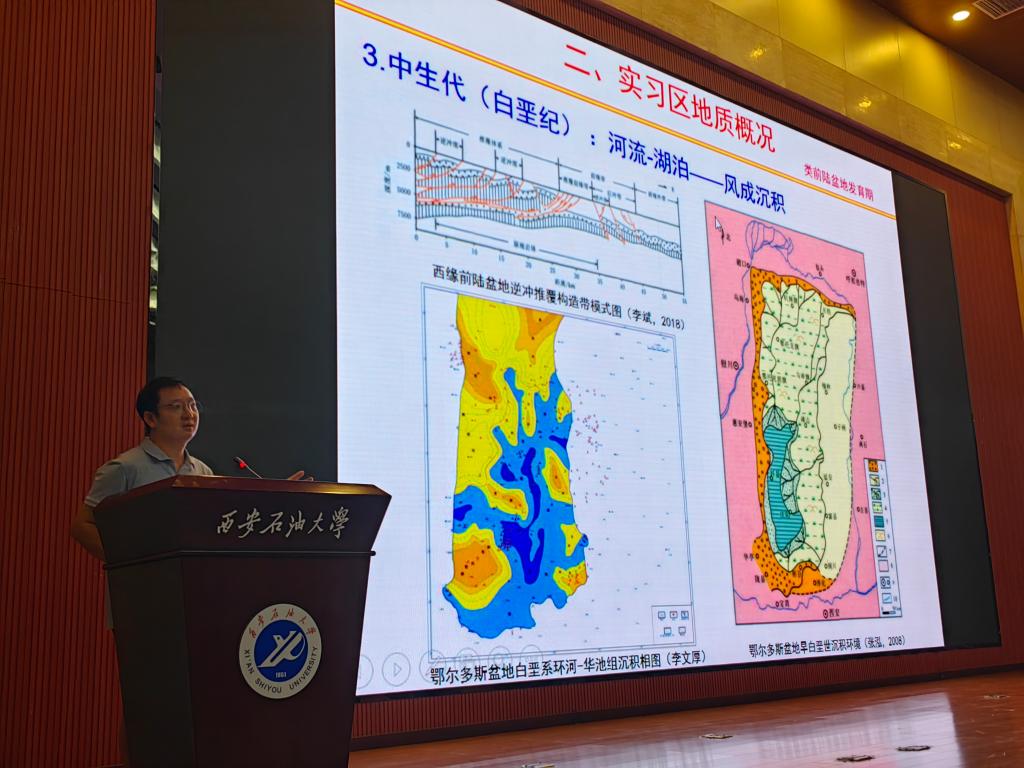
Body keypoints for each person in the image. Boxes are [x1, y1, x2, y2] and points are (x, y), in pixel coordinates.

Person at [71, 376, 307, 559]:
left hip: (194, 584)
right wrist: (128, 562)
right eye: (176, 407)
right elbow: (83, 526)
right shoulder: (125, 468)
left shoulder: (201, 471)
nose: (189, 414)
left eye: (193, 405)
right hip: (141, 588)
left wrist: (276, 497)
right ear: (151, 418)